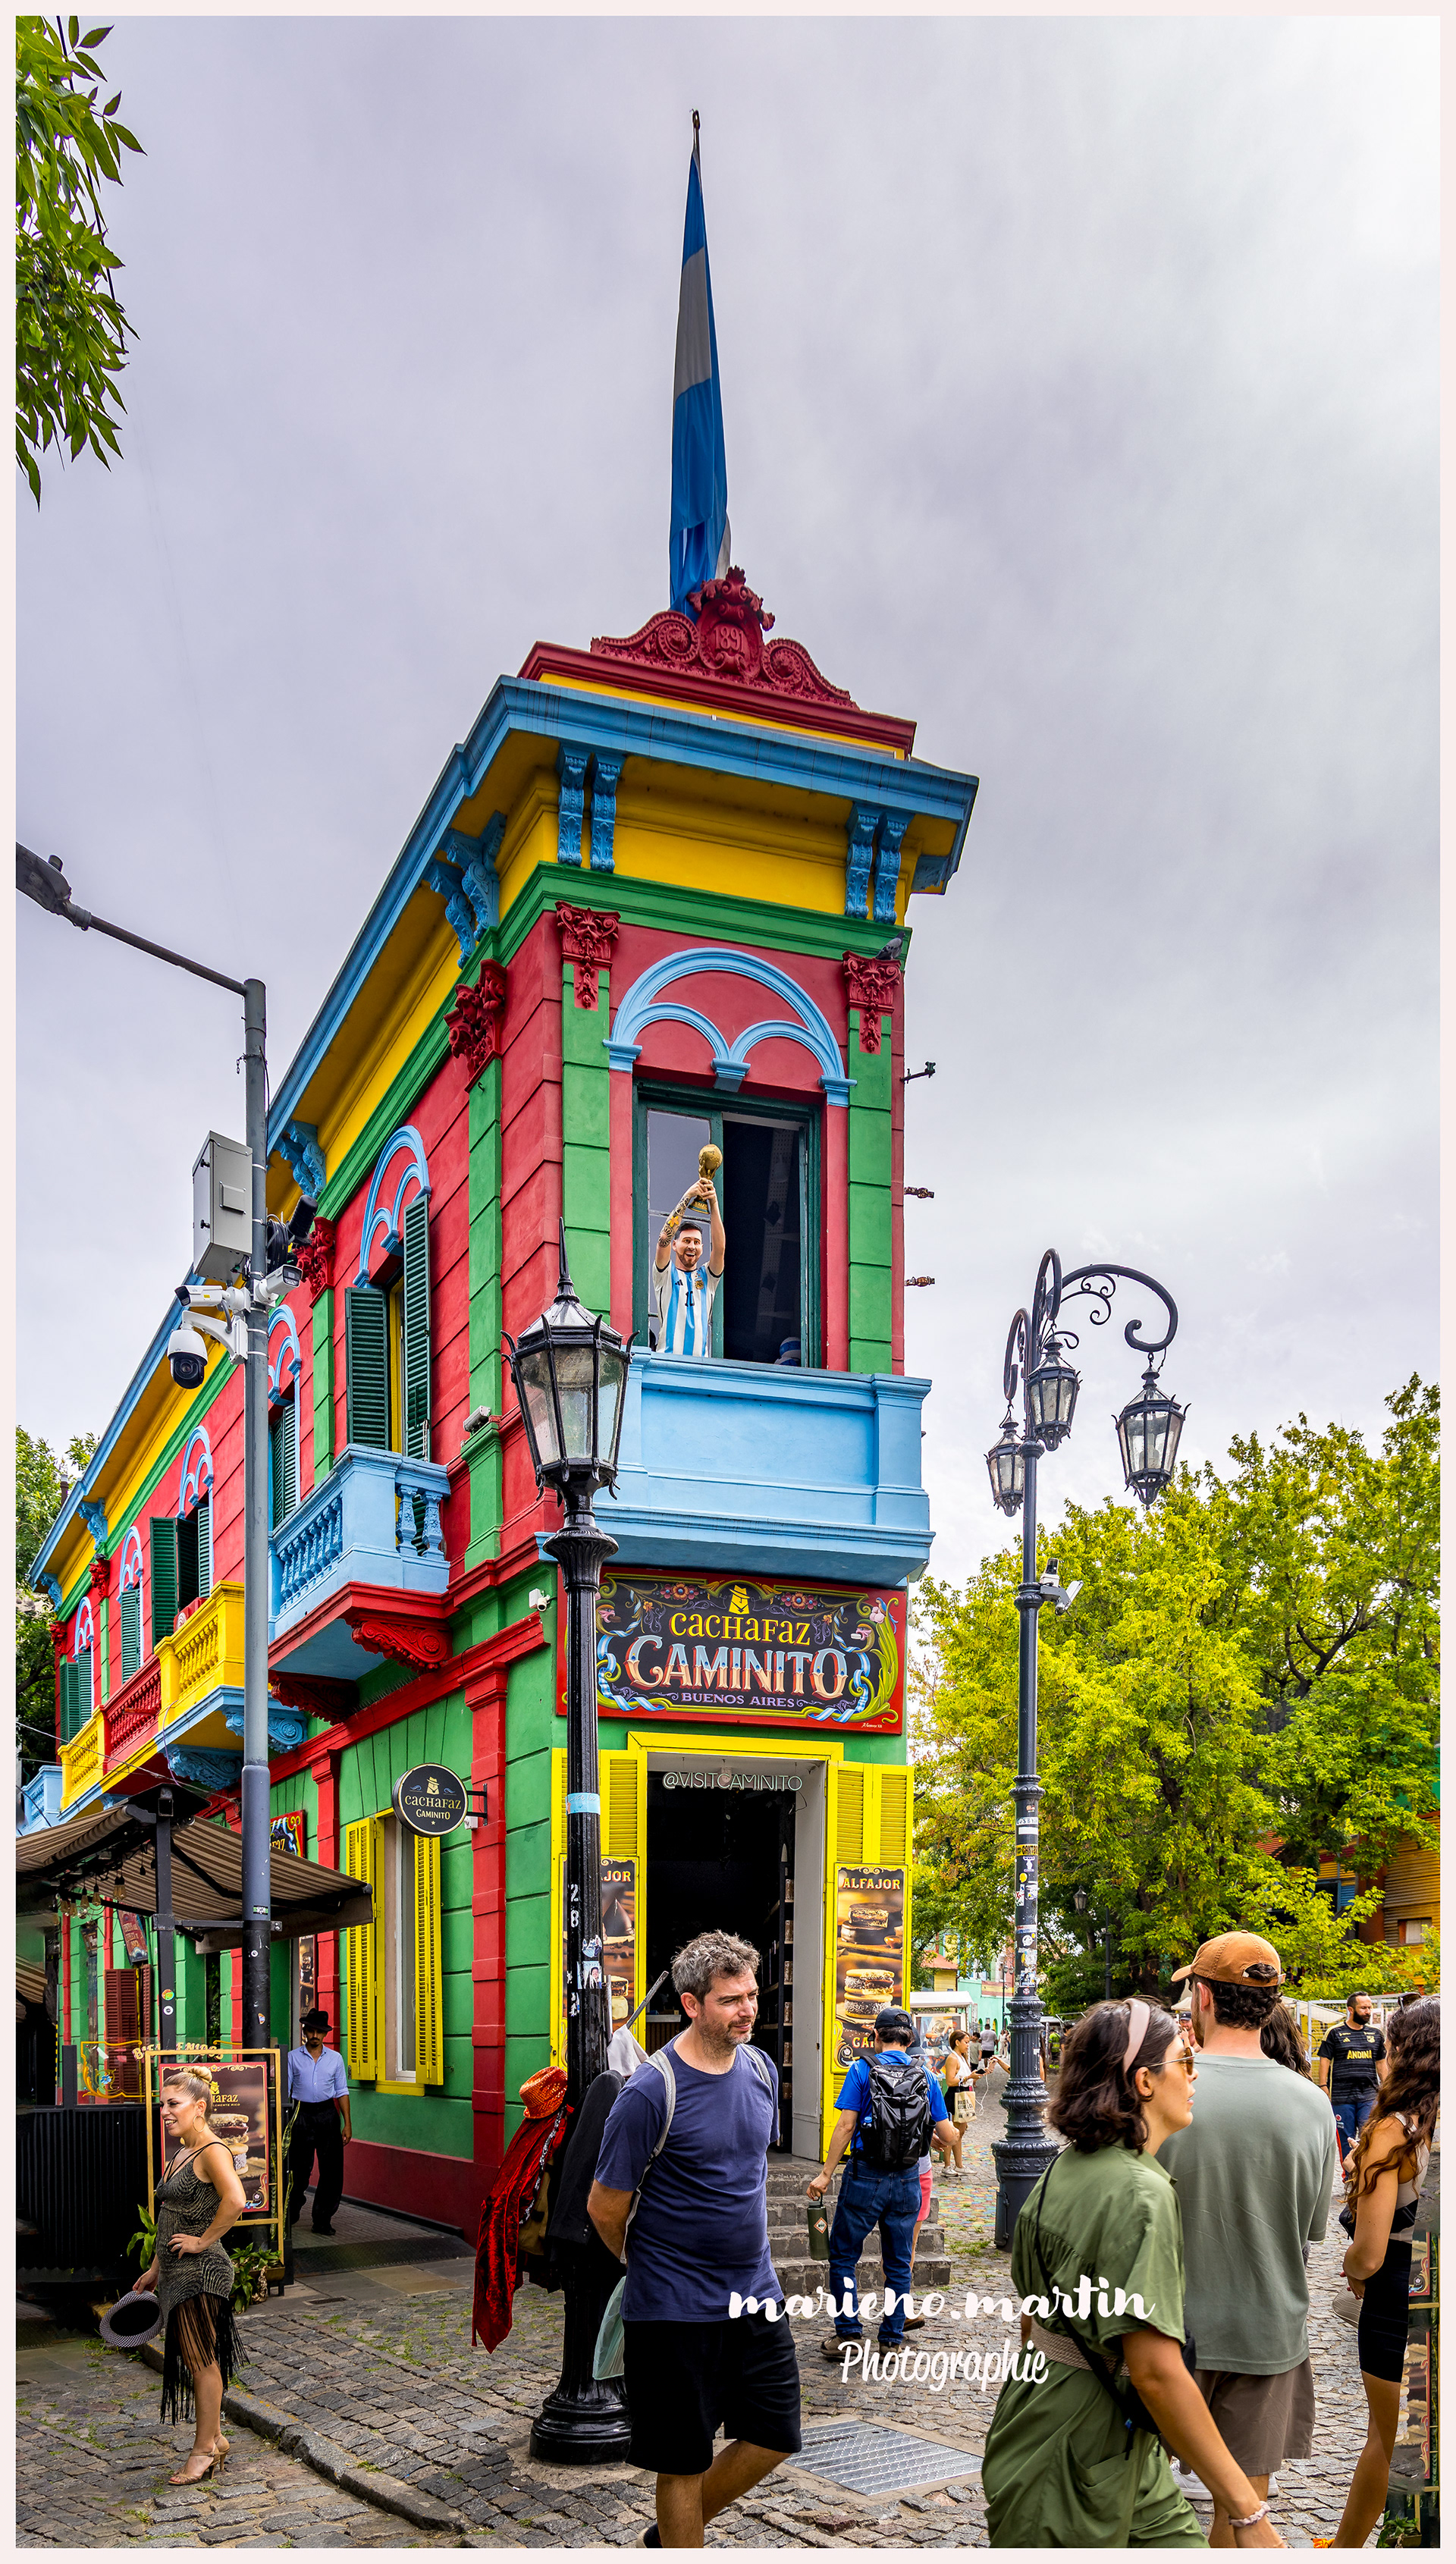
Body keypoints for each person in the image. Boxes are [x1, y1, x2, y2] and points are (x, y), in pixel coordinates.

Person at [981, 1999, 1285, 2549]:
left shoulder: (1065, 2168)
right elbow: (1157, 2372)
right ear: (1144, 2080)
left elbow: (1034, 2317)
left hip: (1065, 2427)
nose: (1195, 2075)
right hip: (1078, 2454)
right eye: (1184, 2060)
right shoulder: (1141, 2193)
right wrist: (1246, 2511)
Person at [588, 1930, 799, 2551]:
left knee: (777, 2430)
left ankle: (671, 2536)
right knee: (681, 2458)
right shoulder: (651, 2089)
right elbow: (604, 2205)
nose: (748, 2010)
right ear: (691, 2004)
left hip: (754, 2293)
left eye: (753, 1995)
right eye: (731, 1999)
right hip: (674, 2305)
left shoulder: (761, 2068)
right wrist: (646, 2261)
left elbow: (747, 2171)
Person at [1159, 1933, 1337, 2548]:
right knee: (1242, 2516)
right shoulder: (1314, 2105)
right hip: (1265, 2329)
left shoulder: (1165, 2089)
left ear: (1204, 1995)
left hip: (1163, 2331)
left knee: (1131, 2500)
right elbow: (1314, 2228)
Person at [1316, 1996, 1439, 2550]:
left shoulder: (1396, 2130)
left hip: (1400, 2294)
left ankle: (1346, 2552)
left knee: (1388, 2442)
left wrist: (1352, 2270)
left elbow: (1367, 2251)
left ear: (1406, 2049)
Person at [807, 2004, 951, 2362]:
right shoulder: (928, 2076)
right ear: (910, 2039)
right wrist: (926, 2133)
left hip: (865, 2176)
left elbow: (845, 2126)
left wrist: (826, 2174)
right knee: (899, 2261)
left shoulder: (861, 2069)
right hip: (907, 2179)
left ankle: (848, 2336)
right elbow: (947, 2135)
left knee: (843, 2255)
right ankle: (891, 2337)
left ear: (875, 2035)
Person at [135, 2071, 248, 2484]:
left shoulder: (211, 2150)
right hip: (177, 2272)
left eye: (173, 2104)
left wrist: (202, 2242)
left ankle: (202, 2452)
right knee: (198, 2358)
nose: (164, 2112)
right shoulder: (183, 2150)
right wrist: (155, 2269)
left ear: (200, 2108)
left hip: (201, 2273)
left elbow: (236, 2200)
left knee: (202, 2361)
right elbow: (171, 2216)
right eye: (162, 2104)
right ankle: (215, 2439)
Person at [284, 2008, 351, 2245]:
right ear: (304, 2031)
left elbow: (342, 2091)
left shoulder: (335, 2059)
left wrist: (347, 2123)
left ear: (324, 2034)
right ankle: (290, 2212)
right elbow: (287, 2092)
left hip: (327, 2114)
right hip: (300, 2113)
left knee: (332, 2170)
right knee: (299, 2170)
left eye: (319, 2031)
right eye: (310, 2030)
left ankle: (323, 2219)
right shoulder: (292, 2057)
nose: (314, 2035)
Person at [651, 1173, 725, 1359]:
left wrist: (714, 1204)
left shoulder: (707, 1278)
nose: (692, 1246)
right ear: (675, 1245)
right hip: (666, 1362)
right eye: (686, 1241)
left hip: (699, 1369)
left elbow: (720, 1248)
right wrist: (688, 1196)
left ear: (701, 1247)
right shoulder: (666, 1274)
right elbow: (663, 1239)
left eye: (697, 1242)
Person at [1315, 1994, 1386, 2154]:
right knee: (1346, 2142)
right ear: (1351, 2009)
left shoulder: (1376, 2034)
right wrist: (1323, 2086)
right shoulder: (1335, 2033)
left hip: (1368, 2096)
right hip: (1342, 2098)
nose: (1368, 2011)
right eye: (1363, 2008)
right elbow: (1324, 2060)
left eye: (1369, 2008)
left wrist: (1387, 2088)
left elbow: (1381, 2064)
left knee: (1369, 2138)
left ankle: (1365, 2175)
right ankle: (1349, 2177)